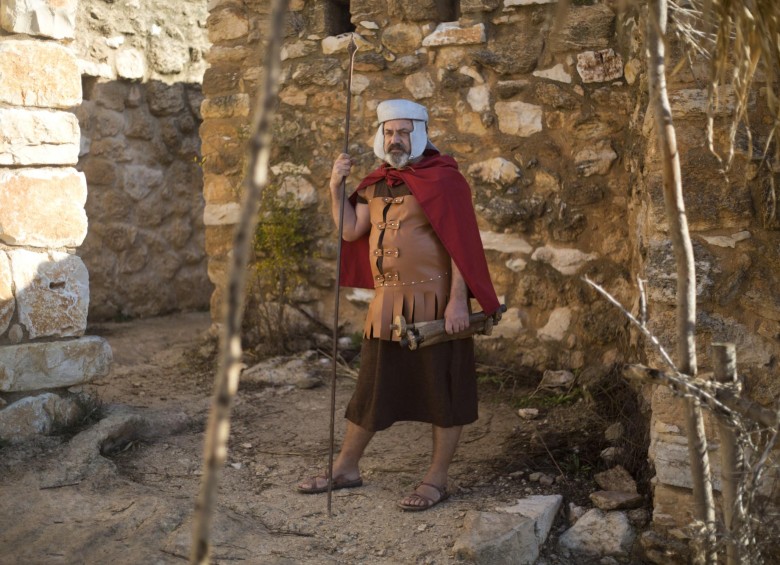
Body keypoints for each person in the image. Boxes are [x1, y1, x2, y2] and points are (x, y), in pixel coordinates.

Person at [297, 99, 500, 511]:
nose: (396, 139)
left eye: (404, 132)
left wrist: (458, 302)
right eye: (389, 132)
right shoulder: (374, 183)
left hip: (436, 303)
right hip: (386, 306)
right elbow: (352, 231)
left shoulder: (444, 180)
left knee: (444, 391)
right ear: (380, 135)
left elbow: (461, 245)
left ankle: (436, 479)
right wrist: (335, 189)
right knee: (371, 389)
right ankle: (346, 468)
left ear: (421, 133)